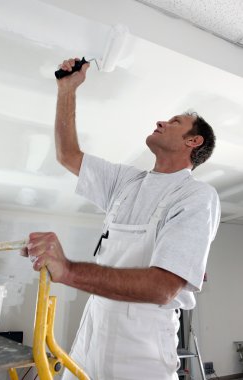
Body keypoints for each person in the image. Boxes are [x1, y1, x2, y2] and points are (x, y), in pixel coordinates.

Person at [26, 58, 221, 380]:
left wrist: (70, 270)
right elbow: (68, 155)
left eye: (174, 121)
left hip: (141, 350)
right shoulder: (127, 181)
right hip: (92, 331)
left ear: (193, 141)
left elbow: (162, 288)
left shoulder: (196, 196)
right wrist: (67, 89)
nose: (161, 121)